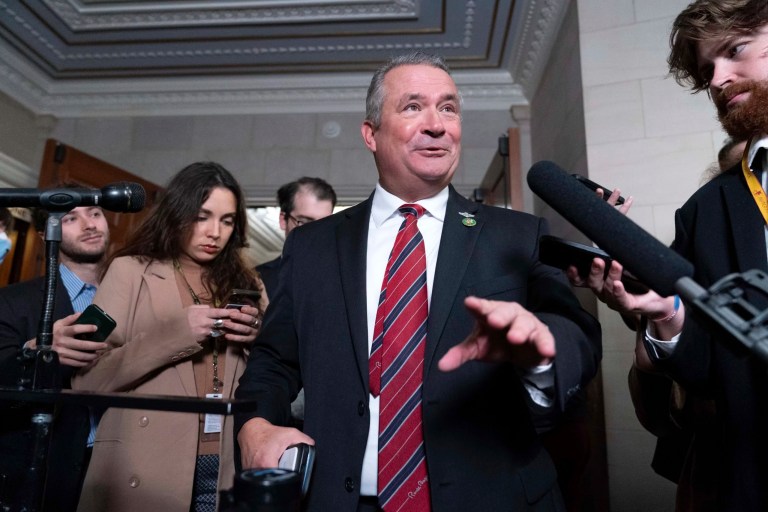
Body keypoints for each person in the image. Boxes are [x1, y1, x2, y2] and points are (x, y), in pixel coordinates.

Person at [235, 51, 602, 512]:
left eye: (448, 108)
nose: (437, 125)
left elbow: (577, 333)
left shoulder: (518, 235)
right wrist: (254, 425)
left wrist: (542, 353)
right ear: (371, 134)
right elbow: (273, 359)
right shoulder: (312, 246)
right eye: (413, 107)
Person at [579, 1, 768, 509]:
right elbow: (704, 372)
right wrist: (665, 316)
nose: (718, 80)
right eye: (707, 71)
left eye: (735, 50)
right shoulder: (704, 212)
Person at [72, 162, 266, 512]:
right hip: (145, 463)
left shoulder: (249, 284)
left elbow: (277, 373)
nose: (214, 233)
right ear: (177, 213)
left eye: (227, 221)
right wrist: (176, 335)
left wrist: (255, 339)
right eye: (202, 217)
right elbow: (87, 379)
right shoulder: (129, 271)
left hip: (225, 464)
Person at [0, 197, 111, 512]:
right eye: (70, 218)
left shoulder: (136, 296)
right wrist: (37, 350)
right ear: (45, 233)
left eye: (95, 213)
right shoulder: (12, 302)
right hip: (45, 473)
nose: (89, 224)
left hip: (118, 470)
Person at [257, 177, 337, 296]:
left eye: (324, 224)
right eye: (305, 222)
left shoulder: (342, 278)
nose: (316, 233)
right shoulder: (257, 278)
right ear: (283, 220)